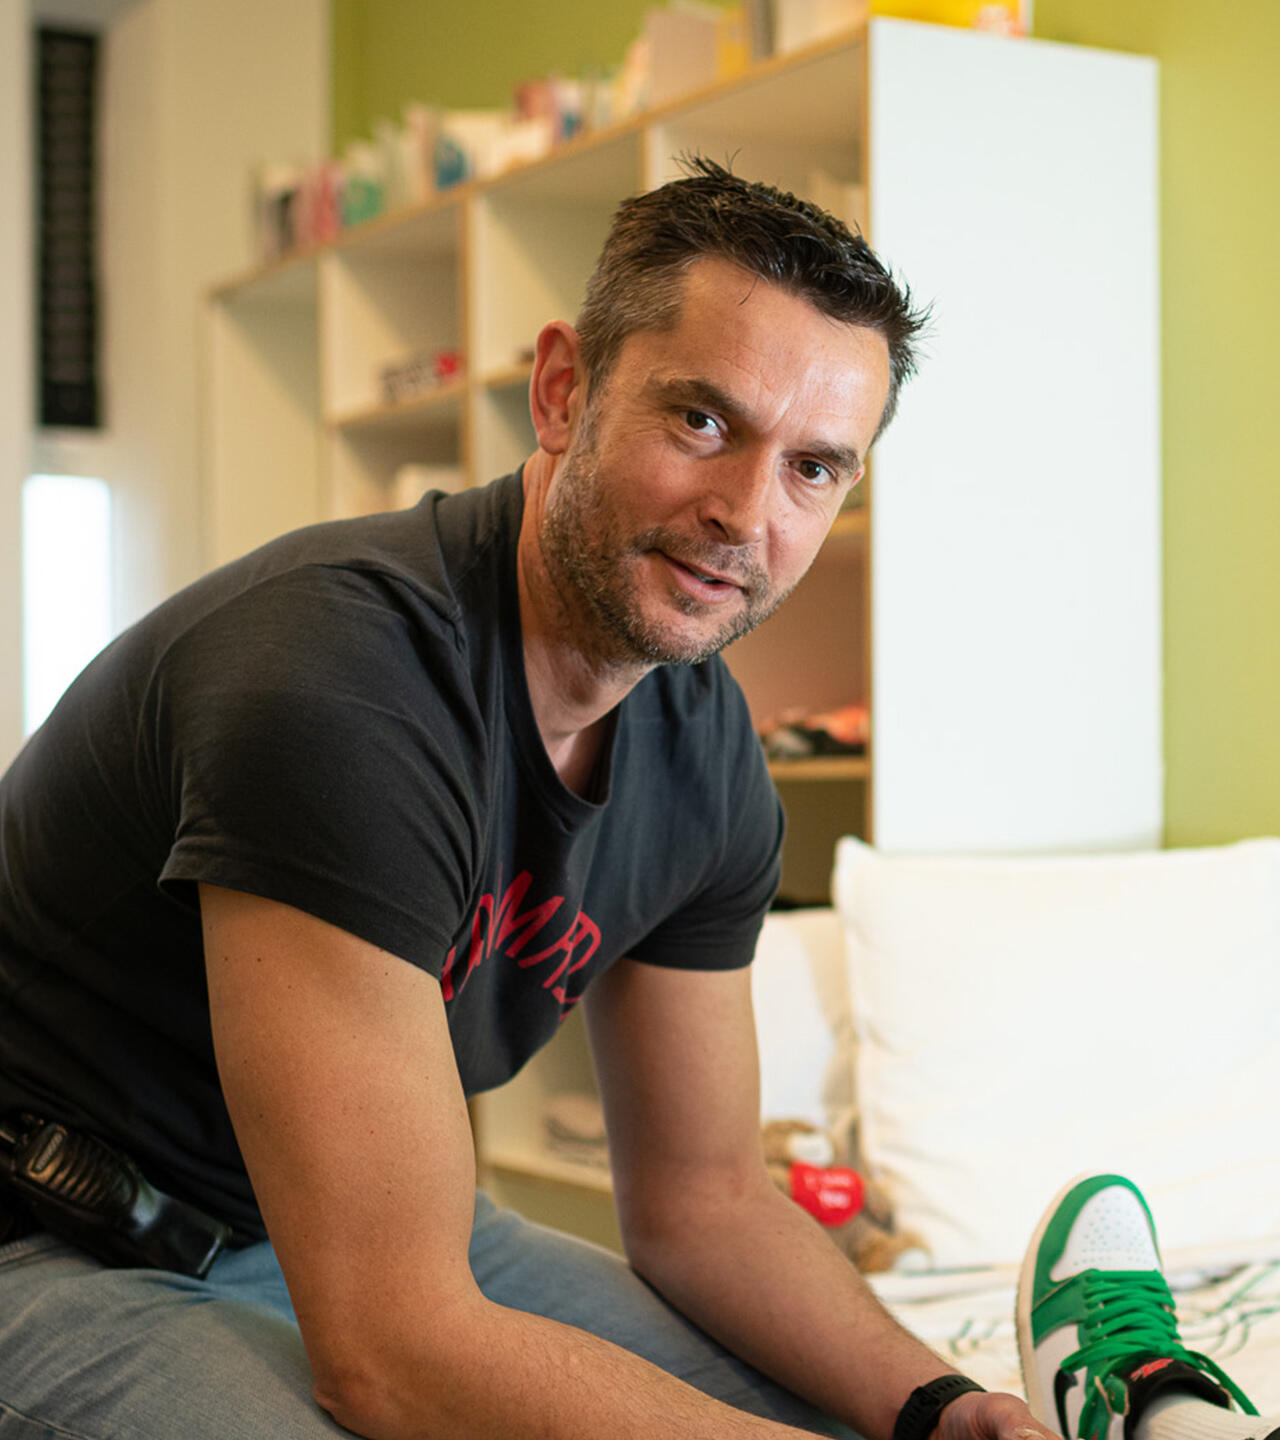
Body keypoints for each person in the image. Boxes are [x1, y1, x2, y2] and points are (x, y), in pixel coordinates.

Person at [0, 157, 1258, 1440]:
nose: (744, 515)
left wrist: (941, 1407)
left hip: (358, 1238)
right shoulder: (337, 683)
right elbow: (388, 1351)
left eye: (813, 468)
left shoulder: (705, 757)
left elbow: (704, 1201)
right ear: (564, 391)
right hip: (55, 1242)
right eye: (701, 421)